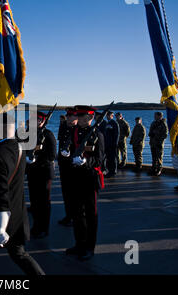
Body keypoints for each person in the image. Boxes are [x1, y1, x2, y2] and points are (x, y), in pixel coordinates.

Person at [0, 111, 45, 275]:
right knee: (19, 255)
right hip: (17, 215)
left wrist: (0, 227)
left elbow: (0, 191)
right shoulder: (19, 147)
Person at [64, 106, 105, 261]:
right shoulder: (74, 132)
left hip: (89, 179)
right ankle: (79, 243)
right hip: (76, 178)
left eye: (81, 115)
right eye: (78, 115)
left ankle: (89, 247)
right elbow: (71, 149)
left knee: (90, 215)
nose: (78, 117)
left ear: (90, 117)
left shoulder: (97, 135)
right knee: (77, 213)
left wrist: (85, 161)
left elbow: (99, 159)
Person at [26, 111, 57, 238]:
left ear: (42, 121)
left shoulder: (48, 134)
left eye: (38, 120)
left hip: (44, 172)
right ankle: (36, 226)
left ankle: (44, 228)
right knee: (34, 201)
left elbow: (52, 155)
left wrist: (37, 159)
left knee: (43, 202)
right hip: (32, 171)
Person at [57, 107, 78, 227]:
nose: (69, 118)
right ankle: (68, 215)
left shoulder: (79, 129)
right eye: (68, 116)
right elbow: (61, 143)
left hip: (74, 165)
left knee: (75, 193)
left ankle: (76, 216)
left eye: (72, 116)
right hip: (64, 164)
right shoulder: (64, 126)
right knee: (66, 192)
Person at [148, 112, 168, 176]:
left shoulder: (163, 124)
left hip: (159, 143)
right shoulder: (153, 123)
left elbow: (165, 135)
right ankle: (153, 169)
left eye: (155, 115)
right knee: (154, 157)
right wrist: (151, 134)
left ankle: (159, 170)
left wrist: (159, 139)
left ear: (160, 116)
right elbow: (150, 132)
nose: (154, 116)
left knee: (159, 157)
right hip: (153, 142)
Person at [104, 111, 119, 177]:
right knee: (109, 158)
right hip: (107, 143)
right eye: (107, 115)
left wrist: (115, 143)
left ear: (112, 116)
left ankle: (113, 171)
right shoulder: (107, 123)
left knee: (113, 158)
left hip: (112, 144)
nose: (107, 116)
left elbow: (117, 134)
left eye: (109, 115)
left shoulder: (114, 123)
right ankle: (109, 170)